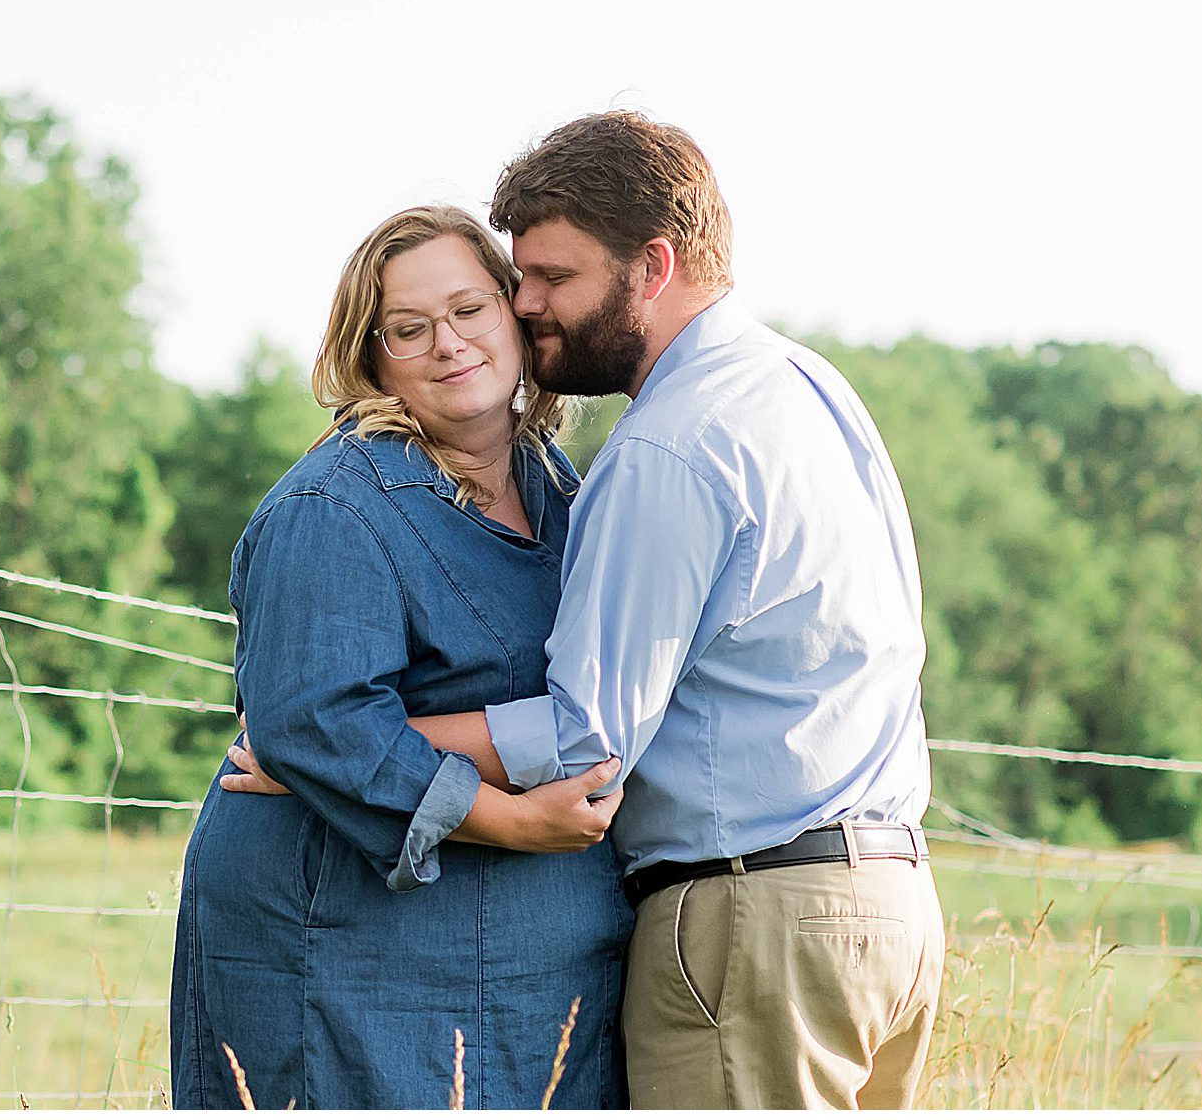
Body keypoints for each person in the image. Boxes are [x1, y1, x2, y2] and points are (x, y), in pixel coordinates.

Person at [405, 112, 945, 1107]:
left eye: (553, 278)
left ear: (652, 265)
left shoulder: (666, 446)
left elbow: (584, 734)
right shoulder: (808, 386)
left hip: (755, 922)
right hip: (888, 909)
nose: (523, 305)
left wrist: (354, 739)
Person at [169, 205, 634, 1110]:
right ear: (371, 355)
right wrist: (516, 823)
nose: (447, 344)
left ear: (514, 313)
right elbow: (315, 721)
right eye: (408, 329)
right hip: (344, 951)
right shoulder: (335, 508)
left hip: (518, 966)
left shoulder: (558, 485)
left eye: (469, 311)